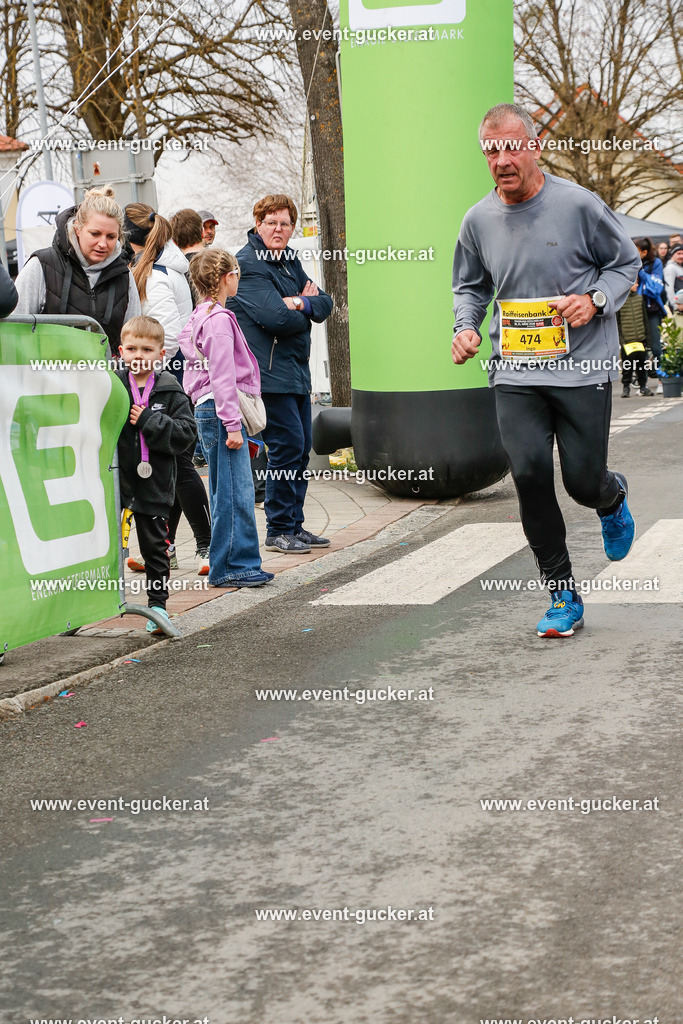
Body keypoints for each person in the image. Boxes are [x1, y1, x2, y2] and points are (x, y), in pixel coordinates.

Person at [451, 103, 641, 638]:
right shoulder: (477, 220)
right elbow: (470, 287)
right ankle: (562, 593)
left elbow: (626, 262)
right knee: (530, 474)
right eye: (492, 150)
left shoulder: (578, 205)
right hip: (515, 370)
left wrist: (596, 299)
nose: (502, 159)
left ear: (534, 146)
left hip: (582, 367)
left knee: (581, 483)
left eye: (512, 146)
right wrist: (465, 327)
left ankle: (610, 495)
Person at [227, 193, 333, 554]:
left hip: (295, 372)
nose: (278, 229)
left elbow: (325, 304)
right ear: (258, 225)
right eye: (271, 222)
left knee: (301, 450)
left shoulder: (289, 259)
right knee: (286, 449)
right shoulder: (249, 264)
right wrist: (300, 306)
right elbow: (275, 318)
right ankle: (278, 529)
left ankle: (296, 524)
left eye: (285, 223)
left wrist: (300, 301)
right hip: (268, 375)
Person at [124, 202, 212, 575]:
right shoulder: (156, 267)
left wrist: (148, 369)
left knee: (179, 463)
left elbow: (167, 334)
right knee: (170, 465)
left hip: (164, 382)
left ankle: (209, 546)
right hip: (165, 375)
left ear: (129, 238)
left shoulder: (157, 275)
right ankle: (167, 546)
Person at [178, 248, 274, 588]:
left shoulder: (198, 316)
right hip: (222, 410)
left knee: (226, 491)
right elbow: (222, 375)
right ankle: (237, 566)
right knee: (236, 492)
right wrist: (233, 424)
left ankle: (230, 563)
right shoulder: (219, 320)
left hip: (208, 408)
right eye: (235, 273)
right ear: (226, 277)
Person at [116, 315, 197, 633]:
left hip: (155, 481)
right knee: (107, 546)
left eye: (147, 349)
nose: (138, 356)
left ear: (161, 354)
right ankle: (102, 600)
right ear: (121, 351)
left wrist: (150, 420)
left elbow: (186, 433)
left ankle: (158, 607)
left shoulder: (169, 390)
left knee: (154, 548)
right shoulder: (112, 387)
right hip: (116, 482)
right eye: (132, 348)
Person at [15, 185, 140, 346]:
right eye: (95, 234)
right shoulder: (41, 265)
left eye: (111, 236)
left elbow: (135, 337)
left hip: (107, 371)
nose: (102, 243)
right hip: (47, 370)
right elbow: (14, 328)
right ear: (78, 229)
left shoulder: (123, 274)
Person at [633, 236, 666, 381]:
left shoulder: (656, 263)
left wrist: (641, 272)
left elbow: (656, 288)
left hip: (652, 310)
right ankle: (642, 383)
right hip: (636, 309)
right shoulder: (631, 263)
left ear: (644, 252)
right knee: (638, 347)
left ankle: (661, 377)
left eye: (637, 250)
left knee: (656, 346)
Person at [617, 284, 652, 397]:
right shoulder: (620, 301)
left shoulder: (640, 298)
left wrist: (647, 338)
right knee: (627, 366)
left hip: (640, 339)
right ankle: (626, 388)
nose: (637, 285)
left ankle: (643, 387)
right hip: (627, 341)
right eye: (635, 283)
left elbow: (645, 319)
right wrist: (621, 340)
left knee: (641, 366)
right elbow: (617, 322)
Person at [663, 244, 683, 310]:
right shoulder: (670, 268)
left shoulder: (679, 267)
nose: (681, 256)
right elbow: (669, 288)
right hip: (678, 308)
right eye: (678, 253)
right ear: (672, 254)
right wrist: (675, 306)